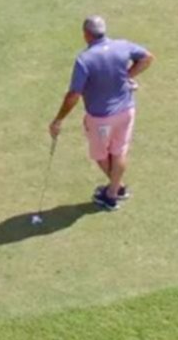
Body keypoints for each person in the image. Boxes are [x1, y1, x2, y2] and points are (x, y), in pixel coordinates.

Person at [48, 16, 154, 211]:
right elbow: (147, 58)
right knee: (119, 151)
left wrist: (58, 120)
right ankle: (116, 189)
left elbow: (74, 94)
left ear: (86, 35)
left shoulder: (84, 59)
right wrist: (127, 77)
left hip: (100, 118)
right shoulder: (122, 46)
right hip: (126, 110)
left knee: (100, 154)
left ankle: (113, 193)